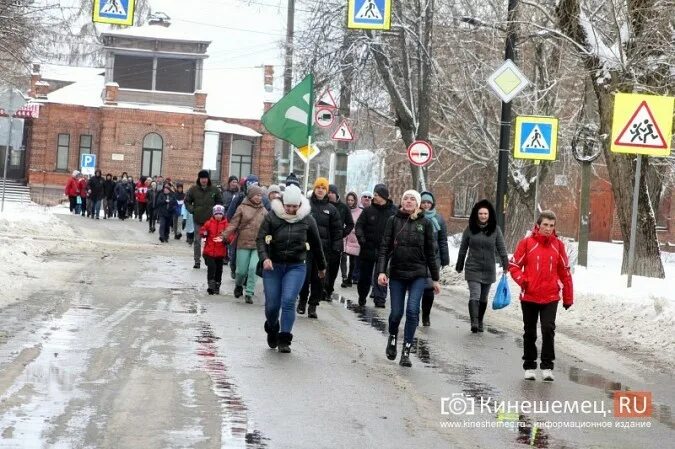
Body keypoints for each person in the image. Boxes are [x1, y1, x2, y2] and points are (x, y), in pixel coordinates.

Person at [257, 184, 326, 353]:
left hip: (296, 266)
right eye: (288, 206)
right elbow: (260, 239)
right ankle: (273, 326)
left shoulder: (307, 219)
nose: (291, 210)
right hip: (273, 266)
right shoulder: (272, 217)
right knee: (272, 305)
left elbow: (317, 245)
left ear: (300, 205)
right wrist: (265, 258)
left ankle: (284, 339)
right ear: (283, 203)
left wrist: (322, 266)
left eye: (295, 207)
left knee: (288, 301)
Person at [378, 190, 440, 367]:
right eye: (406, 198)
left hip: (418, 274)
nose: (409, 201)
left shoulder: (426, 223)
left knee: (413, 311)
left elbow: (430, 252)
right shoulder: (393, 220)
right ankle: (392, 337)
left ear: (418, 203)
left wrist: (435, 279)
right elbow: (384, 248)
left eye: (413, 199)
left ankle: (406, 349)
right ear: (401, 201)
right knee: (396, 312)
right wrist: (382, 271)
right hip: (397, 273)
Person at [509, 210, 573, 382]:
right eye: (545, 225)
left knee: (548, 329)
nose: (548, 229)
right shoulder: (527, 243)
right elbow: (513, 265)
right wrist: (523, 281)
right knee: (529, 332)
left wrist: (568, 296)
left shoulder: (558, 245)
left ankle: (547, 366)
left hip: (550, 296)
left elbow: (565, 272)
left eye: (551, 226)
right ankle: (529, 365)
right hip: (529, 295)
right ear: (538, 225)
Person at [455, 199, 509, 333]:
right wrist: (460, 264)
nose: (483, 216)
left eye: (485, 213)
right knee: (475, 295)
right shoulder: (470, 229)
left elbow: (501, 248)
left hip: (488, 268)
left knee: (483, 298)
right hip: (473, 267)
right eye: (480, 213)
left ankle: (480, 320)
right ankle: (474, 322)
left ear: (489, 215)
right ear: (476, 214)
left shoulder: (495, 230)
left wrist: (505, 263)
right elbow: (463, 248)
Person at [297, 177, 342, 319]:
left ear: (327, 191)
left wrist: (335, 248)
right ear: (314, 189)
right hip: (306, 249)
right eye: (318, 188)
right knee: (303, 277)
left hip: (323, 250)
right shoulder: (305, 206)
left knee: (319, 278)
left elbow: (337, 231)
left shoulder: (332, 210)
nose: (321, 190)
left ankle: (313, 305)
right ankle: (302, 301)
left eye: (323, 188)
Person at [222, 185, 267, 304]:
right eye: (257, 195)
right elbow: (233, 224)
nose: (259, 197)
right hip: (243, 243)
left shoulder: (264, 211)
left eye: (260, 195)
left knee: (253, 268)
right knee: (241, 271)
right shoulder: (241, 208)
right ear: (251, 195)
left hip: (258, 245)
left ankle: (249, 292)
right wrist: (224, 235)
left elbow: (269, 226)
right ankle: (238, 285)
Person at [354, 184, 397, 308]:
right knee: (365, 276)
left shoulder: (393, 212)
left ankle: (380, 299)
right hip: (368, 248)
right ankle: (362, 296)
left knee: (381, 274)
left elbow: (397, 228)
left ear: (383, 196)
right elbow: (359, 226)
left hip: (384, 250)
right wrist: (362, 239)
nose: (374, 197)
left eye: (377, 195)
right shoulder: (368, 210)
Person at [419, 191, 450, 326]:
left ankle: (426, 315)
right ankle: (414, 311)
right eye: (423, 202)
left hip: (434, 257)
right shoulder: (416, 216)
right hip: (418, 256)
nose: (426, 205)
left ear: (432, 204)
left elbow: (443, 240)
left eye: (428, 202)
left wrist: (445, 258)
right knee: (417, 285)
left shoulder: (439, 219)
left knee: (429, 287)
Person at [185, 170, 223, 269]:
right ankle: (197, 260)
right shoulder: (193, 189)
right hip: (198, 219)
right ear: (199, 179)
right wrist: (192, 210)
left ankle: (208, 258)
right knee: (197, 240)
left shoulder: (214, 190)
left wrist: (217, 213)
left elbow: (220, 202)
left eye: (205, 178)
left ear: (208, 179)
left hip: (211, 220)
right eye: (202, 178)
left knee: (210, 241)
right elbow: (187, 201)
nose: (203, 180)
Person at [326, 184, 354, 299]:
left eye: (331, 192)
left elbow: (350, 223)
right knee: (323, 267)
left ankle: (329, 289)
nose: (329, 194)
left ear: (336, 193)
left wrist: (342, 233)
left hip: (336, 242)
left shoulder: (343, 207)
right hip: (323, 240)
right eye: (328, 192)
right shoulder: (323, 205)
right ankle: (322, 290)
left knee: (333, 268)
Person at [200, 205, 230, 295]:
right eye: (216, 214)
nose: (218, 216)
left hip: (220, 252)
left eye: (220, 214)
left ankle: (217, 284)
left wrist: (226, 239)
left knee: (219, 270)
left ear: (223, 214)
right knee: (211, 268)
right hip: (209, 251)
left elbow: (230, 235)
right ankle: (211, 284)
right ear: (213, 214)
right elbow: (202, 230)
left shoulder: (226, 224)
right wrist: (204, 233)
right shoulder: (209, 223)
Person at [341, 192, 362, 288]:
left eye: (352, 200)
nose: (350, 202)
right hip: (344, 237)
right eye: (348, 200)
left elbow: (360, 225)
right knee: (343, 257)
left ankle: (350, 278)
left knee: (353, 260)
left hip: (354, 238)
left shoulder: (360, 212)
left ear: (355, 201)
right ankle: (344, 277)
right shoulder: (343, 209)